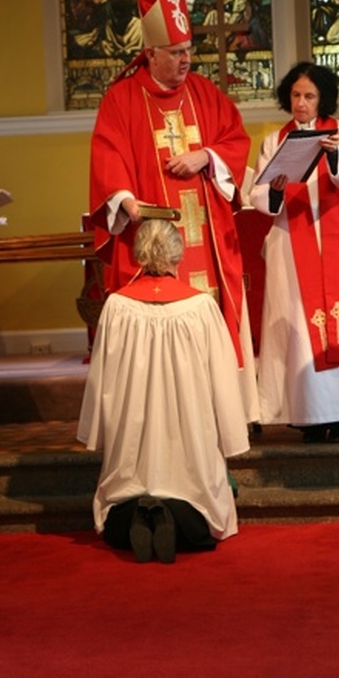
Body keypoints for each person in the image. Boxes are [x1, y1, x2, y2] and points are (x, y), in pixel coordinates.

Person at [89, 0, 259, 425]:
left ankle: (218, 418)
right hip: (152, 237)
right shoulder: (121, 99)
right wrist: (125, 199)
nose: (187, 60)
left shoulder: (205, 93)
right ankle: (160, 418)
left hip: (208, 238)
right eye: (177, 52)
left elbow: (236, 139)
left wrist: (207, 155)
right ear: (151, 54)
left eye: (188, 50)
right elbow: (108, 155)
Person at [77, 219, 251, 563]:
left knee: (121, 502)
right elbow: (223, 379)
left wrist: (94, 429)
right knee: (198, 504)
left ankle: (138, 513)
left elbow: (102, 377)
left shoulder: (116, 306)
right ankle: (175, 517)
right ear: (179, 255)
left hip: (133, 442)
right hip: (191, 439)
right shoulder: (200, 307)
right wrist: (232, 435)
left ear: (139, 256)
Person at [248, 62, 339, 442]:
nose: (301, 103)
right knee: (298, 327)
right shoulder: (275, 141)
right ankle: (307, 415)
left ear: (322, 98)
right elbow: (257, 193)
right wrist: (274, 189)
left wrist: (334, 154)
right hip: (292, 240)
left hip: (335, 234)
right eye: (295, 95)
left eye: (309, 96)